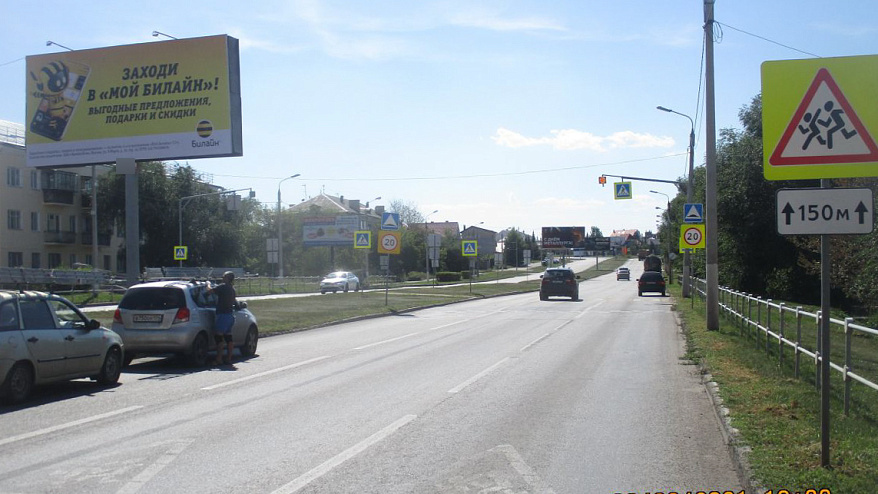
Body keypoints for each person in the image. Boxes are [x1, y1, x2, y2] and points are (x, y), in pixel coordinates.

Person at [207, 271, 237, 365]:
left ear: (227, 278)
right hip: (230, 315)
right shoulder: (232, 289)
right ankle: (228, 358)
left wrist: (207, 284)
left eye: (224, 276)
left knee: (219, 337)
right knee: (228, 337)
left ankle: (219, 359)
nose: (222, 278)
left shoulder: (223, 287)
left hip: (222, 315)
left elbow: (210, 291)